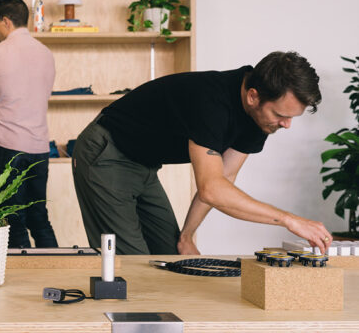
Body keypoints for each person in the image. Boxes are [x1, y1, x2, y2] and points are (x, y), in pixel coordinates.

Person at [72, 51, 333, 255]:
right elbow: (211, 189)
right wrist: (289, 220)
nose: (286, 125)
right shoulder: (212, 101)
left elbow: (224, 179)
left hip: (144, 165)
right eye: (280, 115)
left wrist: (187, 235)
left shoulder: (260, 119)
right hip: (107, 153)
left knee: (170, 256)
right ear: (253, 96)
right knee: (129, 266)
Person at [0, 0, 58, 248]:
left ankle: (19, 281)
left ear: (6, 21)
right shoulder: (46, 54)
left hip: (8, 148)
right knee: (39, 216)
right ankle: (54, 272)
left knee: (11, 216)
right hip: (40, 147)